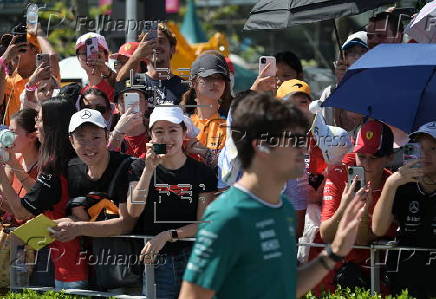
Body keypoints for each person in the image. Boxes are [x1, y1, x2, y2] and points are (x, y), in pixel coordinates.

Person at [179, 93, 366, 299]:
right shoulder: (228, 215)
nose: (302, 147)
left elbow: (285, 286)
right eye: (292, 139)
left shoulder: (283, 207)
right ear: (261, 146)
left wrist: (335, 252)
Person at [127, 105, 217, 298]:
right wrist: (149, 169)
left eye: (173, 130)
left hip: (192, 257)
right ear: (150, 135)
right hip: (156, 259)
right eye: (159, 131)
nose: (166, 138)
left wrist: (168, 235)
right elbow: (134, 211)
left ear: (184, 132)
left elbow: (204, 223)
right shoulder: (138, 167)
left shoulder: (202, 172)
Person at [0, 98, 88, 289]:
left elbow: (22, 212)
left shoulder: (54, 165)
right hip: (68, 255)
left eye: (39, 120)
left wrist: (2, 172)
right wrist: (14, 165)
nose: (36, 125)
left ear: (52, 124)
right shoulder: (71, 157)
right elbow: (40, 196)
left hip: (67, 261)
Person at [312, 120, 395, 292]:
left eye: (374, 158)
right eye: (361, 156)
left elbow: (363, 241)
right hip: (337, 272)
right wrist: (344, 207)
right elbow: (326, 235)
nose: (365, 164)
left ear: (389, 158)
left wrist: (363, 213)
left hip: (376, 275)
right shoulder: (339, 175)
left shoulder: (392, 184)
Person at [372, 121, 436, 298]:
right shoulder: (401, 184)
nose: (425, 155)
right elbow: (378, 229)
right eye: (419, 148)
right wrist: (391, 184)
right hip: (405, 281)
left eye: (433, 148)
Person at [117, 23, 189, 105]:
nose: (156, 46)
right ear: (142, 48)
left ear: (172, 49)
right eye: (151, 42)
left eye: (161, 41)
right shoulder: (135, 82)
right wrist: (136, 56)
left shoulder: (184, 87)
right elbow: (118, 84)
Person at [181, 53, 232, 168]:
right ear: (194, 83)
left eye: (220, 78)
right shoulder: (179, 120)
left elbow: (234, 169)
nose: (216, 83)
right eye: (208, 77)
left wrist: (207, 154)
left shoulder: (232, 123)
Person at [2, 23, 59, 125]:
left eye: (21, 46)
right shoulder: (7, 79)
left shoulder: (45, 76)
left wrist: (39, 33)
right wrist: (4, 59)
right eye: (11, 45)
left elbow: (51, 57)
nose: (13, 49)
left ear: (35, 50)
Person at [107, 85, 150, 158]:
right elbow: (104, 160)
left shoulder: (157, 132)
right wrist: (118, 132)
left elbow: (166, 159)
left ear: (146, 105)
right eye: (124, 100)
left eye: (137, 98)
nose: (131, 105)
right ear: (117, 107)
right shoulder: (106, 137)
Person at [75, 32, 115, 101]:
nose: (90, 56)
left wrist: (106, 71)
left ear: (106, 57)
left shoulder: (116, 89)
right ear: (78, 58)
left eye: (95, 52)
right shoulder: (78, 94)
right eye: (85, 53)